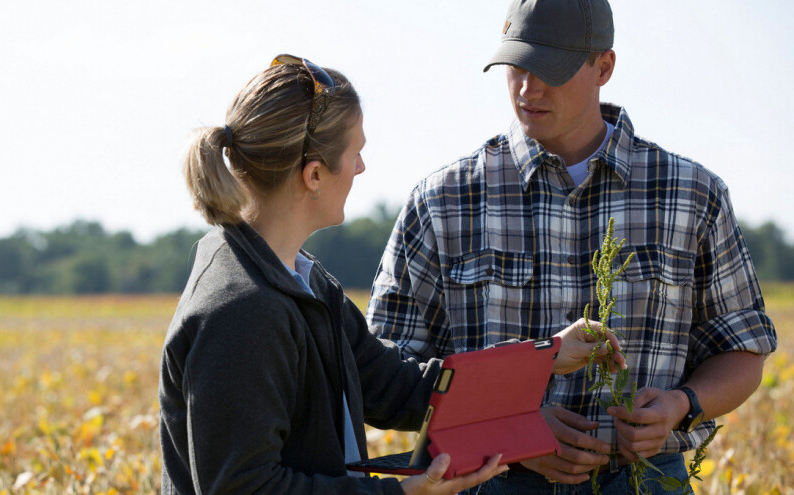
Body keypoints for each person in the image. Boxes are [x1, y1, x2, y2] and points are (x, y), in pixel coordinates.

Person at [158, 54, 626, 495]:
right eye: (355, 152)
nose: (362, 167)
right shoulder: (242, 310)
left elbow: (395, 386)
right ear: (314, 174)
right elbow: (244, 488)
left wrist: (545, 356)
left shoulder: (302, 279)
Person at [367, 1, 778, 493]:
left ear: (604, 66)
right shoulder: (444, 200)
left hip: (648, 481)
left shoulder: (692, 194)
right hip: (492, 482)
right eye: (516, 65)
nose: (527, 87)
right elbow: (388, 369)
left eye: (549, 69)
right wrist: (508, 432)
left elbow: (742, 350)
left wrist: (681, 405)